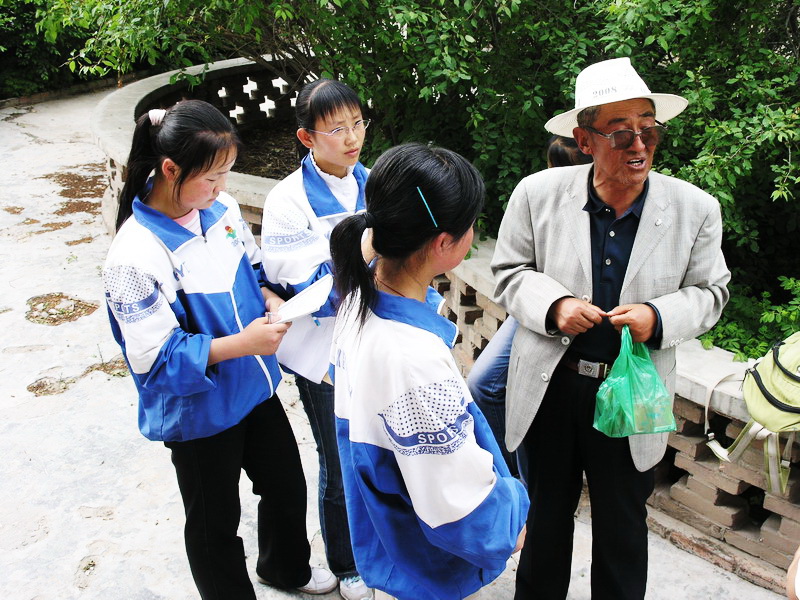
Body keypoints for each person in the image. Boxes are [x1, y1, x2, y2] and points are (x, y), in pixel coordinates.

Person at [491, 57, 731, 599]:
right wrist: (553, 306)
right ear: (585, 139)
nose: (639, 146)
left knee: (622, 525)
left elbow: (712, 292)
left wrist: (659, 317)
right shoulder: (537, 194)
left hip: (633, 391)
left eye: (648, 130)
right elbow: (509, 272)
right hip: (552, 386)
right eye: (622, 134)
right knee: (546, 517)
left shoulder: (695, 209)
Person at [103, 99, 335, 599]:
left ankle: (285, 569)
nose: (223, 189)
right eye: (213, 178)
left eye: (227, 175)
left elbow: (252, 270)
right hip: (200, 412)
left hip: (254, 386)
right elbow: (156, 361)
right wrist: (244, 343)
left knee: (286, 488)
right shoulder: (133, 257)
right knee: (214, 525)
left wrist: (271, 297)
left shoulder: (221, 210)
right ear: (170, 170)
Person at [329, 143, 530, 600]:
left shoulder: (357, 298)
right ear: (443, 243)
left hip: (390, 545)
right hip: (424, 560)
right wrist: (508, 525)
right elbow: (453, 497)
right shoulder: (411, 358)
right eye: (469, 225)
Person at [259, 78, 371, 600]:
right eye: (337, 130)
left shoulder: (374, 181)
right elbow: (305, 287)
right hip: (322, 349)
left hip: (374, 339)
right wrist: (368, 252)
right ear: (308, 138)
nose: (352, 138)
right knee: (338, 457)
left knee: (377, 450)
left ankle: (376, 549)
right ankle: (346, 565)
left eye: (357, 124)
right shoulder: (287, 201)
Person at [466, 135, 592, 479]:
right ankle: (514, 477)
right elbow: (514, 267)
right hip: (537, 309)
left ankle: (527, 479)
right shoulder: (539, 197)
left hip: (577, 321)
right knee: (483, 383)